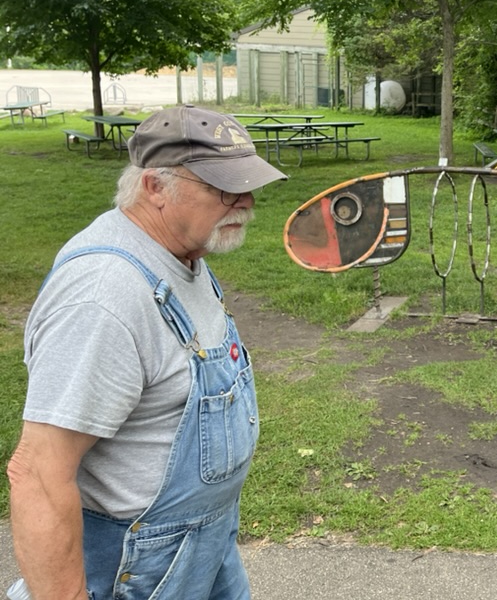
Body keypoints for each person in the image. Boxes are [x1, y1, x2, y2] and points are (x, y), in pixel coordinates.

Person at [6, 106, 287, 600]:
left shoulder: (183, 253)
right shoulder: (104, 294)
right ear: (155, 187)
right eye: (224, 188)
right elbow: (37, 473)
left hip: (205, 546)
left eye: (248, 186)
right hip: (136, 571)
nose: (244, 202)